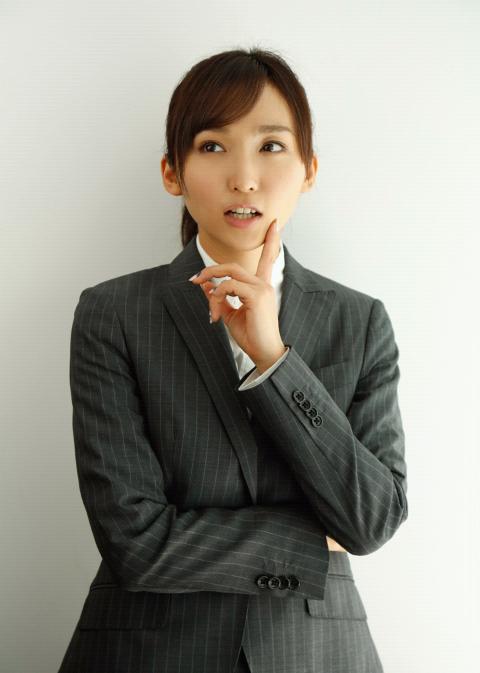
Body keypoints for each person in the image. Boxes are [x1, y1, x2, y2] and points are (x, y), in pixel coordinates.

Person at [58, 47, 408, 673]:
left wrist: (273, 357)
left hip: (316, 655)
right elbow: (135, 543)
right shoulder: (113, 313)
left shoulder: (360, 322)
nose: (244, 177)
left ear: (309, 170)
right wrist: (313, 540)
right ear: (173, 172)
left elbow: (372, 519)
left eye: (271, 146)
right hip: (149, 654)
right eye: (213, 146)